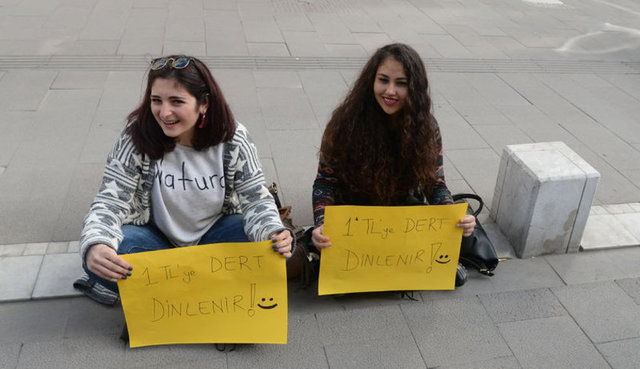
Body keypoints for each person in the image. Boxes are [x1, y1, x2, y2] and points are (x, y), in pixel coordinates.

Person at [80, 55, 294, 293]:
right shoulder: (135, 138)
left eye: (176, 101)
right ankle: (197, 291)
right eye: (156, 100)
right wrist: (97, 243)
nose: (164, 113)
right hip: (155, 242)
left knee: (273, 250)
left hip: (215, 236)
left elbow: (256, 198)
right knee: (103, 258)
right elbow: (109, 202)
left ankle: (178, 292)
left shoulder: (233, 138)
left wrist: (274, 232)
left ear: (204, 104)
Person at [310, 43, 475, 285]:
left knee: (445, 259)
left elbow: (435, 183)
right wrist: (322, 223)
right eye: (383, 80)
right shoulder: (344, 123)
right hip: (353, 213)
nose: (390, 91)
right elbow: (325, 182)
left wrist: (451, 216)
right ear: (371, 81)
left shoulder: (426, 127)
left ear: (415, 87)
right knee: (341, 283)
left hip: (399, 213)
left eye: (401, 83)